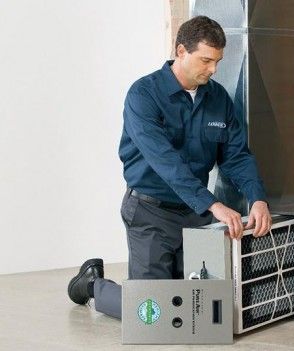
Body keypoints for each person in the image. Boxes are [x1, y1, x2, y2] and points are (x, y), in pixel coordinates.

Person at [67, 16, 271, 319]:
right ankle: (93, 285)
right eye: (205, 60)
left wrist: (257, 197)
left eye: (217, 61)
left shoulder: (219, 100)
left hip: (194, 215)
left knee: (201, 306)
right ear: (180, 51)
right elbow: (165, 161)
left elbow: (236, 155)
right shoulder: (143, 95)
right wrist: (213, 204)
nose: (213, 70)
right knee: (151, 313)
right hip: (151, 213)